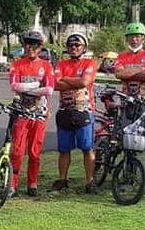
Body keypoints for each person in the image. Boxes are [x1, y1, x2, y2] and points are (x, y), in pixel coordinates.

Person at [114, 22, 145, 197]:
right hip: (127, 104)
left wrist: (129, 73)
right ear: (127, 38)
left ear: (143, 38)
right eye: (131, 36)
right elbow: (118, 73)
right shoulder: (122, 56)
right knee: (127, 143)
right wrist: (140, 72)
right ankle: (129, 178)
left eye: (138, 36)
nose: (134, 39)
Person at [8, 28, 55, 197]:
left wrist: (26, 89)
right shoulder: (17, 64)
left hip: (40, 114)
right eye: (27, 44)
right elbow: (14, 86)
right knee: (17, 151)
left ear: (40, 48)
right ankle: (12, 184)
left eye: (34, 45)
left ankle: (32, 183)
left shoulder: (46, 66)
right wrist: (36, 86)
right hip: (21, 113)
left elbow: (49, 90)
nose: (30, 48)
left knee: (35, 152)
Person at [53, 32, 98, 193]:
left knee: (87, 148)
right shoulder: (61, 64)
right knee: (64, 149)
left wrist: (65, 79)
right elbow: (55, 84)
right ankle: (62, 179)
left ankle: (90, 181)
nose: (74, 48)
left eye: (77, 45)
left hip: (84, 111)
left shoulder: (90, 62)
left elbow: (85, 82)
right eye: (70, 45)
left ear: (84, 47)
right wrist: (75, 82)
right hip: (64, 111)